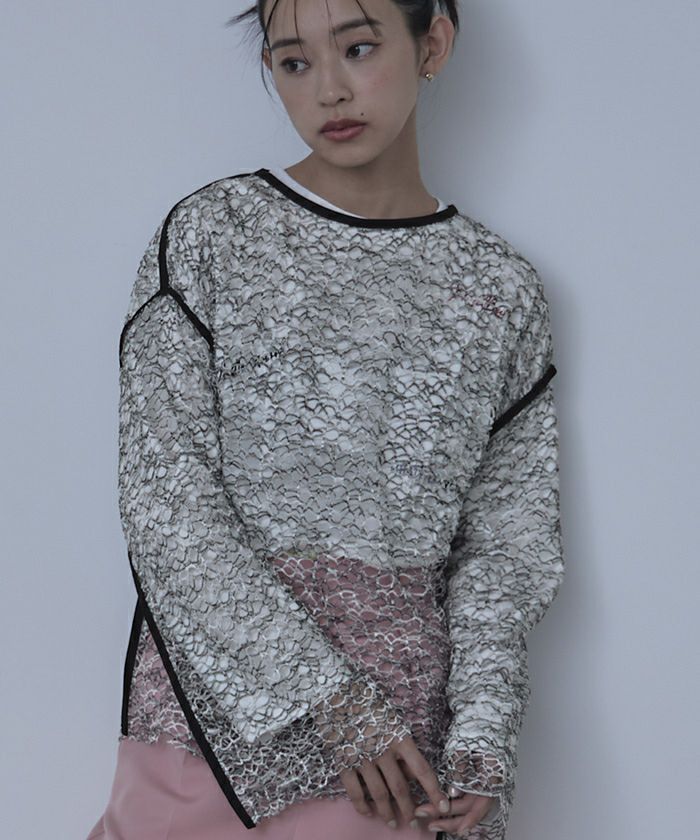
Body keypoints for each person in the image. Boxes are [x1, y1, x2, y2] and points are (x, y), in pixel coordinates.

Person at [85, 0, 565, 838]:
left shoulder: (500, 289)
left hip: (407, 763)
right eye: (294, 61)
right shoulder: (214, 235)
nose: (329, 90)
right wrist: (334, 702)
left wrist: (484, 737)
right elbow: (166, 502)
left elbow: (507, 548)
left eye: (359, 47)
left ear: (433, 42)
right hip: (215, 738)